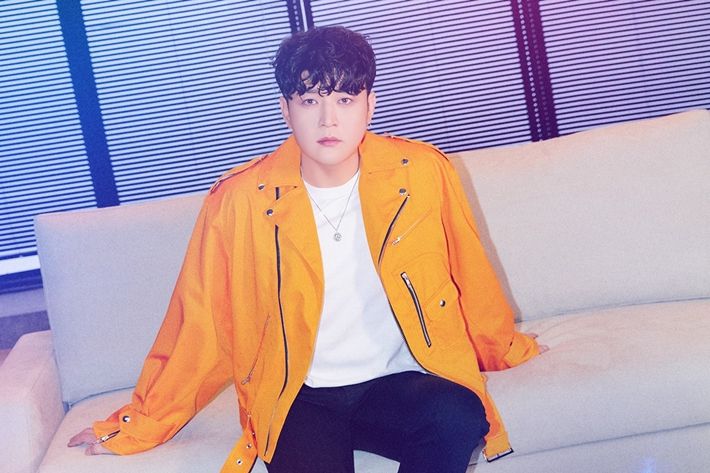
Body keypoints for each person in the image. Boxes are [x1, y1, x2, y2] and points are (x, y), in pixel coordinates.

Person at [68, 25, 546, 473]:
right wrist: (141, 422)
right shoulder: (239, 200)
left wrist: (502, 347)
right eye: (310, 100)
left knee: (458, 416)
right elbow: (200, 323)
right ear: (286, 109)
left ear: (369, 106)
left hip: (396, 382)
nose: (328, 119)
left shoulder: (421, 173)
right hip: (298, 395)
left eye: (345, 99)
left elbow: (468, 272)